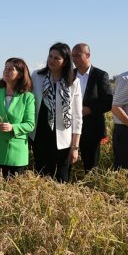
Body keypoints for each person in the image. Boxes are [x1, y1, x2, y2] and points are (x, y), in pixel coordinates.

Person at [30, 43, 83, 182]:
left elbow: (77, 117)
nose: (51, 60)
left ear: (65, 62)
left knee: (61, 178)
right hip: (40, 136)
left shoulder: (73, 82)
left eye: (56, 58)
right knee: (41, 177)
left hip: (62, 140)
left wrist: (75, 147)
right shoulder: (37, 76)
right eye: (50, 56)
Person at [0, 58, 35, 178]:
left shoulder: (28, 97)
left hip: (15, 152)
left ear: (20, 74)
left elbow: (30, 124)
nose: (6, 71)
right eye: (5, 67)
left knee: (11, 193)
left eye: (11, 69)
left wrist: (13, 127)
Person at [71, 43, 113, 172]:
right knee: (68, 162)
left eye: (77, 55)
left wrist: (89, 110)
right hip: (70, 127)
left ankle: (90, 188)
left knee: (91, 167)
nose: (74, 59)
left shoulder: (100, 75)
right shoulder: (68, 75)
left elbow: (108, 102)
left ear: (87, 55)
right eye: (72, 56)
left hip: (92, 129)